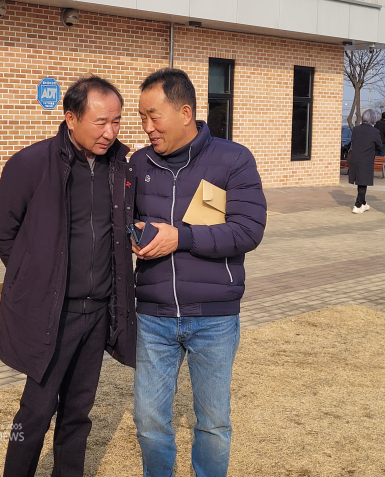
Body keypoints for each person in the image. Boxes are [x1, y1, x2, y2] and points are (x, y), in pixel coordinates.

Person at [0, 75, 136, 477]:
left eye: (117, 122)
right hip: (53, 315)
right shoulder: (31, 164)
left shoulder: (120, 166)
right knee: (35, 411)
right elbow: (3, 229)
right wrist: (36, 277)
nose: (110, 133)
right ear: (71, 118)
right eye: (100, 122)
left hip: (97, 311)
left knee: (78, 412)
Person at [129, 68, 267, 477]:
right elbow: (120, 220)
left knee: (213, 423)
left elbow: (247, 230)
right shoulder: (138, 163)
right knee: (149, 420)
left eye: (154, 116)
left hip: (214, 317)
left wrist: (181, 237)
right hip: (153, 314)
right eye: (141, 117)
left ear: (185, 112)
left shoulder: (233, 159)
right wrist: (131, 234)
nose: (147, 127)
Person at [348, 109, 382, 214]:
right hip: (366, 159)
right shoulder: (374, 132)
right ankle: (358, 205)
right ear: (373, 119)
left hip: (355, 159)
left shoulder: (356, 130)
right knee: (363, 183)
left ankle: (363, 203)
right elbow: (379, 146)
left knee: (361, 183)